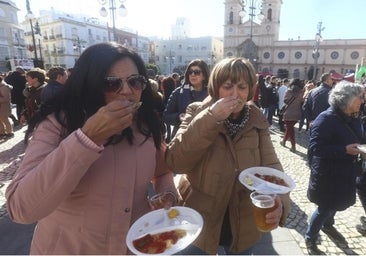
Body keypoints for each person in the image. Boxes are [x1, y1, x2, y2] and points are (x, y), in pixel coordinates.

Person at [5, 42, 178, 254]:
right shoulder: (58, 123)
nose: (126, 91)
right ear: (89, 84)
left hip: (135, 246)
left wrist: (167, 194)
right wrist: (88, 137)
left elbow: (162, 172)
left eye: (135, 81)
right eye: (111, 83)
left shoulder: (146, 125)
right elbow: (21, 209)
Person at [166, 58, 291, 255]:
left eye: (242, 87)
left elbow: (272, 166)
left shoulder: (257, 119)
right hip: (199, 216)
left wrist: (280, 203)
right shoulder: (196, 111)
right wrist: (211, 118)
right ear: (216, 88)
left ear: (250, 89)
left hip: (242, 220)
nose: (235, 94)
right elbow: (176, 161)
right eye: (227, 87)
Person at [305, 81, 365, 255]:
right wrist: (344, 150)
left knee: (336, 204)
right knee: (325, 207)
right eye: (359, 98)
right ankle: (310, 237)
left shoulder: (353, 116)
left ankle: (328, 226)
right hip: (328, 174)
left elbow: (357, 138)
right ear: (346, 99)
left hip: (346, 172)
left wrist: (360, 149)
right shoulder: (326, 118)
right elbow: (316, 148)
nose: (362, 101)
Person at [163, 59, 210, 139]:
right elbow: (166, 116)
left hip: (205, 138)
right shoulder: (178, 92)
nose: (192, 74)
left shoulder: (212, 93)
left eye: (197, 72)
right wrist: (179, 117)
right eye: (190, 72)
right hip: (182, 139)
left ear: (204, 76)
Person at [280, 78, 304, 152]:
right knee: (289, 129)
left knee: (291, 130)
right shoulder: (301, 92)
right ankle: (283, 141)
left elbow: (285, 101)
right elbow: (302, 102)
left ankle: (293, 146)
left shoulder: (289, 91)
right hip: (297, 114)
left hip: (288, 113)